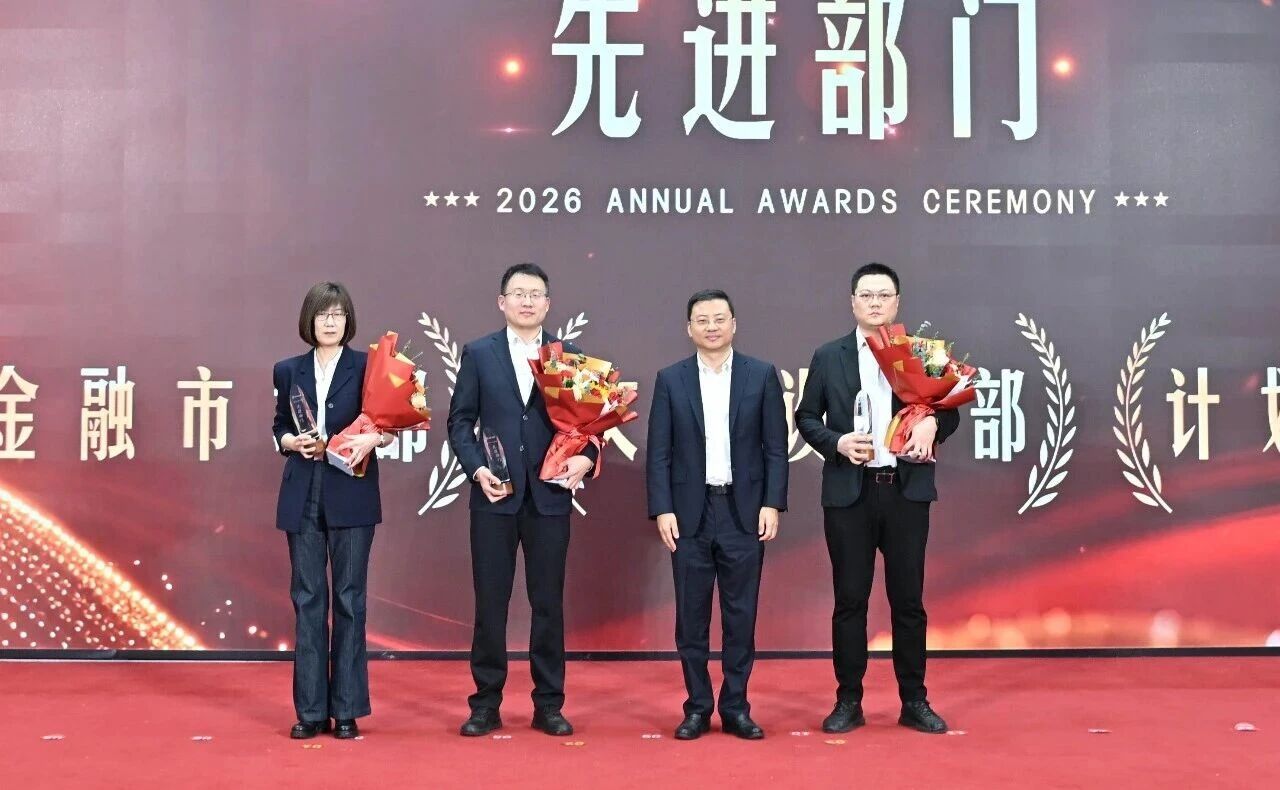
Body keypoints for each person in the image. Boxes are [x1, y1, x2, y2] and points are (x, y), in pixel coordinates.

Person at [795, 262, 962, 735]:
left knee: (908, 601)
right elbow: (806, 417)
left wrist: (934, 424)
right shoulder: (829, 355)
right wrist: (837, 443)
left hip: (905, 492)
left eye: (883, 295)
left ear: (897, 302)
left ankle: (915, 700)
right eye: (866, 295)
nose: (874, 302)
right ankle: (848, 700)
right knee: (850, 600)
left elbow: (950, 410)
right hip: (850, 494)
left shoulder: (922, 352)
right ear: (853, 302)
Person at [446, 263, 599, 737]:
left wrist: (587, 458)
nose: (527, 301)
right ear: (502, 302)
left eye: (535, 294)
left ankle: (548, 704)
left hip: (549, 496)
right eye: (518, 293)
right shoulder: (479, 353)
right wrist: (477, 469)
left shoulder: (569, 356)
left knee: (548, 603)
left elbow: (591, 424)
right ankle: (485, 704)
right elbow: (459, 421)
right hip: (494, 496)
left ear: (548, 304)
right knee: (490, 603)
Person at [646, 289, 788, 740]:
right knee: (691, 619)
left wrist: (772, 502)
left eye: (719, 318)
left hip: (743, 511)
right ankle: (697, 707)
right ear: (689, 328)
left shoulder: (760, 375)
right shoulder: (671, 379)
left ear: (734, 324)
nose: (712, 326)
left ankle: (736, 707)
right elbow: (659, 453)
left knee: (740, 616)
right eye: (702, 320)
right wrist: (662, 508)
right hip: (689, 514)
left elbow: (776, 448)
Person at [272, 281, 393, 740]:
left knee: (349, 599)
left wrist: (372, 439)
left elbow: (389, 425)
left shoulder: (368, 367)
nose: (329, 322)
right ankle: (310, 711)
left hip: (352, 488)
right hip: (303, 488)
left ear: (348, 320)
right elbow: (279, 426)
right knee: (308, 600)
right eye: (322, 314)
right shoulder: (288, 370)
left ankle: (346, 710)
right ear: (309, 319)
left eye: (338, 314)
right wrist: (291, 442)